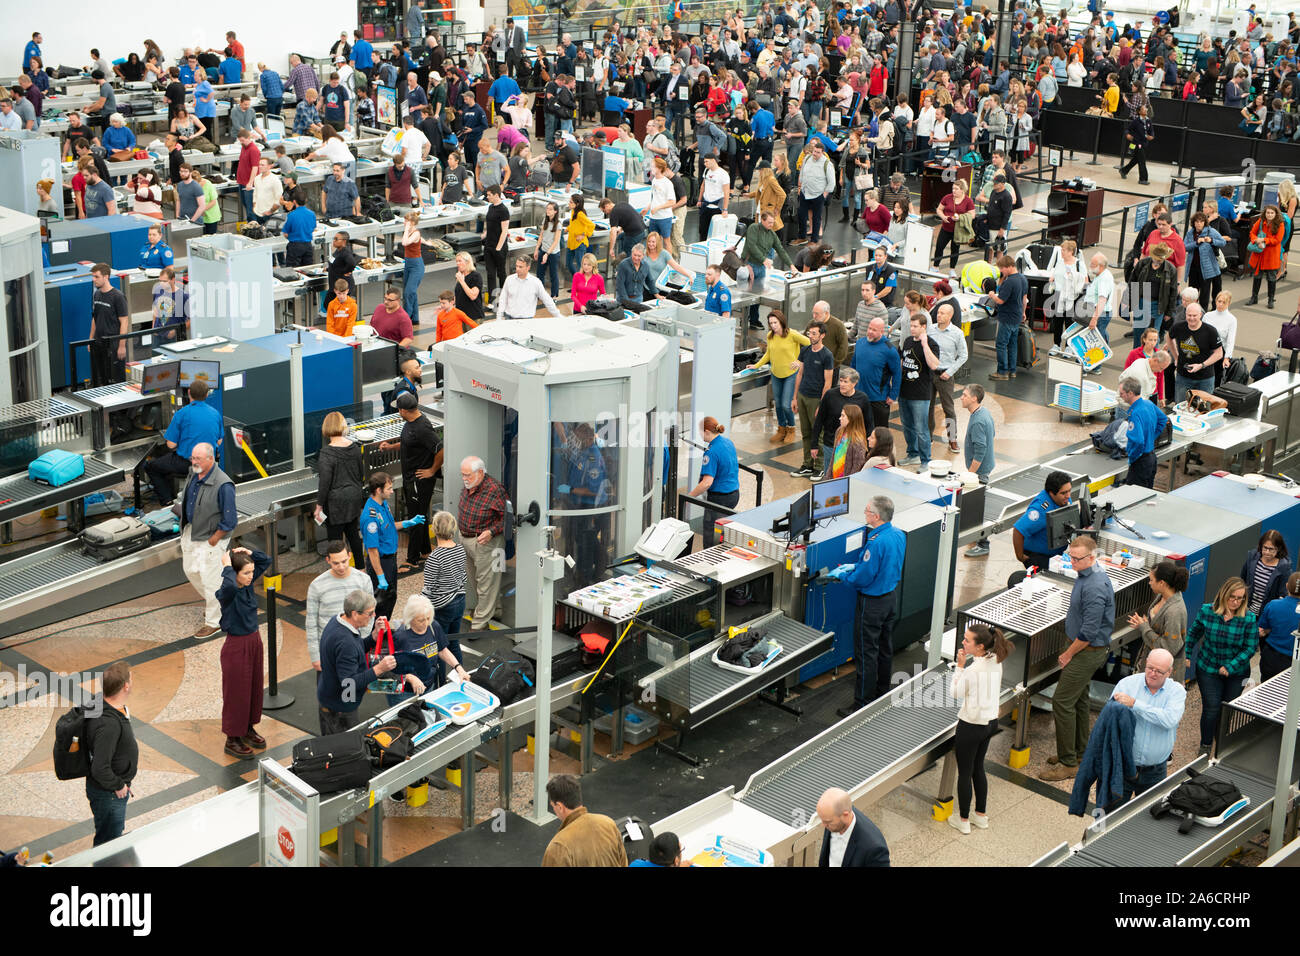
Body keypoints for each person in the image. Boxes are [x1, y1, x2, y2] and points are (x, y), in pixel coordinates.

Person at [1040, 536, 1116, 781]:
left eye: (1077, 558)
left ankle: (1068, 763)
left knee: (1061, 702)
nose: (1072, 562)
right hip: (1082, 648)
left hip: (1086, 651)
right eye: (1070, 557)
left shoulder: (1094, 586)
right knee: (1080, 700)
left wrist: (1067, 653)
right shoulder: (1086, 575)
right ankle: (1080, 752)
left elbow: (1089, 633)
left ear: (1092, 557)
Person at [827, 495, 906, 715]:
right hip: (890, 599)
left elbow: (864, 577)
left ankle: (862, 703)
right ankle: (882, 692)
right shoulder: (898, 535)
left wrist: (844, 577)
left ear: (877, 516)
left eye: (867, 511)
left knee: (866, 653)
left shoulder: (876, 541)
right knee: (884, 648)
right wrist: (858, 565)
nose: (865, 513)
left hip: (872, 604)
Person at [948, 623, 1013, 833]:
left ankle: (964, 820)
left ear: (981, 646)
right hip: (990, 723)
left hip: (970, 725)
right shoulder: (996, 660)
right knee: (978, 768)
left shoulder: (972, 670)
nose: (963, 642)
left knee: (965, 772)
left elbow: (955, 693)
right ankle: (981, 815)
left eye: (967, 640)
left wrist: (959, 666)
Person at [1104, 647, 1187, 804]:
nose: (1153, 673)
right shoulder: (1127, 684)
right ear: (1145, 663)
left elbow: (1169, 719)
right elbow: (1109, 719)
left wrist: (1135, 704)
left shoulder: (1176, 692)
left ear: (1169, 672)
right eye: (1150, 668)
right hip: (1122, 768)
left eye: (1159, 671)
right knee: (1111, 815)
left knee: (1150, 817)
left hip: (1155, 772)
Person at [1188, 577, 1258, 756]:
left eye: (1240, 598)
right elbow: (1193, 633)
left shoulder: (1248, 619)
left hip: (1236, 672)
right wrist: (1187, 654)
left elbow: (1250, 648)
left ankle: (1221, 742)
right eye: (1232, 597)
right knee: (1211, 708)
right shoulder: (1207, 611)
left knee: (1226, 710)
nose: (1235, 602)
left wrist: (1230, 666)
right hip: (1208, 668)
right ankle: (1205, 745)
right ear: (1224, 594)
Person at [174, 443, 235, 639]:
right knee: (190, 571)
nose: (194, 462)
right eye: (193, 458)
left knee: (211, 581)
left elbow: (230, 520)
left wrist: (213, 541)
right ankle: (218, 604)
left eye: (198, 459)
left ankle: (214, 621)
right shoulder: (193, 474)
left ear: (211, 459)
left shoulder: (223, 484)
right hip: (192, 532)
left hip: (210, 538)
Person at [215, 547, 271, 759]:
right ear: (235, 573)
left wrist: (250, 552)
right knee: (236, 694)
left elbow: (265, 560)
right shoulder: (229, 592)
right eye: (246, 573)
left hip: (254, 641)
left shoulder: (246, 585)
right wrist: (227, 566)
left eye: (251, 572)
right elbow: (229, 584)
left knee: (253, 688)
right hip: (237, 646)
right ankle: (232, 738)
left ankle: (247, 728)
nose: (251, 576)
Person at [317, 589, 398, 735]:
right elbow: (349, 683)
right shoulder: (345, 641)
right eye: (370, 613)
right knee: (346, 749)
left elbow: (355, 649)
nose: (373, 616)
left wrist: (372, 637)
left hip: (330, 697)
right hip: (340, 707)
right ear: (355, 613)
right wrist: (380, 668)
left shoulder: (338, 622)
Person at [384, 392, 441, 571]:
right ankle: (425, 550)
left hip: (419, 480)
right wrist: (391, 447)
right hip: (411, 479)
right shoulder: (411, 423)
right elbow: (409, 442)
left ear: (402, 410)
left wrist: (431, 470)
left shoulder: (422, 427)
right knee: (420, 514)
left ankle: (412, 559)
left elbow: (441, 449)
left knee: (415, 518)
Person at [145, 379, 222, 506]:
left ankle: (168, 501)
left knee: (151, 466)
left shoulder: (181, 414)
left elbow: (171, 445)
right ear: (207, 394)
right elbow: (219, 441)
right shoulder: (215, 413)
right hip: (209, 463)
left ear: (189, 392)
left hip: (187, 464)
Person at [84, 661, 137, 847]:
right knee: (108, 844)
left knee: (111, 836)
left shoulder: (108, 706)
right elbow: (99, 767)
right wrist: (119, 785)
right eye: (130, 677)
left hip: (111, 792)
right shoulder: (108, 724)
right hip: (109, 794)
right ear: (126, 686)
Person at [362, 471, 425, 621]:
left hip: (390, 561)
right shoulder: (370, 517)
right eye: (389, 488)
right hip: (381, 563)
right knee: (380, 604)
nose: (392, 491)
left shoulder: (382, 505)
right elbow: (372, 551)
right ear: (378, 490)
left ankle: (383, 630)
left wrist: (408, 522)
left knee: (391, 598)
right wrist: (380, 576)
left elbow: (389, 527)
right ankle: (376, 636)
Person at [305, 541, 374, 673]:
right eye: (336, 563)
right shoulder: (317, 585)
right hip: (328, 651)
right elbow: (311, 623)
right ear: (328, 560)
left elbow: (369, 615)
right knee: (328, 692)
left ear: (350, 555)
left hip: (355, 649)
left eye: (344, 561)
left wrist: (361, 644)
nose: (341, 567)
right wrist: (315, 656)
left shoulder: (363, 580)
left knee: (353, 691)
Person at [458, 456, 508, 631]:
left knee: (487, 583)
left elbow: (507, 519)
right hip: (466, 539)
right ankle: (495, 610)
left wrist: (491, 532)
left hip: (485, 542)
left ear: (480, 473)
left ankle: (479, 623)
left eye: (467, 475)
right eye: (462, 475)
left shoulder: (494, 489)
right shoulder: (471, 485)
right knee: (478, 582)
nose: (464, 479)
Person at [314, 411, 366, 567]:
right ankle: (361, 568)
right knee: (353, 535)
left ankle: (338, 569)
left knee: (335, 540)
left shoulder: (326, 453)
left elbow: (325, 483)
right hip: (354, 496)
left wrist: (319, 506)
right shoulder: (355, 447)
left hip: (336, 502)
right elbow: (360, 474)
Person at [541, 774, 628, 867]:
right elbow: (623, 863)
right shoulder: (608, 823)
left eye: (552, 806)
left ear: (559, 806)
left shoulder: (559, 847)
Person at [1128, 561, 1190, 683]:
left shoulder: (1174, 611)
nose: (1149, 583)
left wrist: (1144, 627)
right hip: (1148, 660)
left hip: (1160, 675)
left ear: (1162, 583)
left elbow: (1168, 649)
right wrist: (1143, 624)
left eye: (1151, 580)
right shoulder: (1162, 596)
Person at [394, 594, 467, 692]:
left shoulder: (433, 626)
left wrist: (459, 668)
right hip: (406, 692)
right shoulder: (400, 637)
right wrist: (411, 678)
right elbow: (391, 668)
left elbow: (442, 650)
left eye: (428, 618)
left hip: (429, 685)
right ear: (410, 618)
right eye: (421, 620)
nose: (426, 623)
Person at [687, 416, 740, 548]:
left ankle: (710, 560)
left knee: (711, 535)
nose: (699, 435)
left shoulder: (711, 453)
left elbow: (707, 482)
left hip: (719, 499)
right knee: (724, 530)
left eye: (700, 432)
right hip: (734, 494)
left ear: (707, 432)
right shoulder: (728, 442)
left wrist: (689, 497)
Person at [897, 312, 941, 469]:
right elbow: (902, 361)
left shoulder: (932, 344)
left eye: (915, 326)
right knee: (907, 425)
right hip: (904, 391)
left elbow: (934, 365)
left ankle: (926, 460)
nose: (912, 329)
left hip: (920, 394)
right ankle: (913, 454)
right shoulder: (908, 341)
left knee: (921, 428)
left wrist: (924, 344)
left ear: (924, 327)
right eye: (911, 326)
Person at [810, 367, 872, 476]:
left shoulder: (863, 399)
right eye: (841, 381)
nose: (842, 384)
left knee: (850, 474)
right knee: (830, 474)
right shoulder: (830, 395)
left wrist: (869, 447)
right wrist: (814, 444)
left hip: (853, 446)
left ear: (854, 383)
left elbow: (868, 424)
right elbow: (819, 420)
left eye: (845, 382)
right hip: (831, 443)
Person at [424, 510, 470, 650]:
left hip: (442, 607)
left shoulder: (435, 557)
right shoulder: (460, 549)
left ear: (434, 529)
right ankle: (459, 671)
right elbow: (464, 577)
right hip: (460, 600)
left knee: (439, 646)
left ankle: (440, 673)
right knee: (454, 643)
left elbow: (428, 588)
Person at [1009, 470, 1072, 568]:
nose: (1068, 496)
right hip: (1039, 556)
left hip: (1056, 554)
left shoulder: (1064, 499)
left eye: (1069, 491)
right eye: (1063, 493)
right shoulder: (1040, 510)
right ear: (1051, 493)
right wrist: (1020, 556)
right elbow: (1018, 530)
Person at [815, 787, 890, 867]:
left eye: (827, 822)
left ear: (845, 815)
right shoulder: (833, 815)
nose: (823, 825)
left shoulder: (874, 848)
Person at [1165, 302, 1222, 404]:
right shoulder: (1179, 327)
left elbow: (1219, 353)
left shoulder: (1210, 331)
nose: (1191, 318)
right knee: (1181, 407)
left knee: (1203, 409)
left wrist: (1201, 365)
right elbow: (1169, 337)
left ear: (1200, 315)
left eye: (1194, 315)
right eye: (1189, 315)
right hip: (1183, 377)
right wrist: (1176, 356)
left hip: (1205, 378)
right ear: (1185, 314)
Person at [929, 302, 967, 451]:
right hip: (930, 373)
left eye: (942, 313)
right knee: (928, 407)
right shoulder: (930, 329)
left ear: (950, 316)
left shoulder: (957, 333)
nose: (939, 315)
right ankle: (928, 436)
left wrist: (950, 372)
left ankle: (952, 439)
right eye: (938, 312)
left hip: (945, 375)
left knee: (949, 409)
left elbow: (964, 355)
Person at [1118, 376, 1168, 489]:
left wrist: (1132, 458)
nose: (1120, 396)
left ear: (1130, 393)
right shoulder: (1148, 404)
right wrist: (1151, 437)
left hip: (1140, 462)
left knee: (1134, 497)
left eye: (1122, 393)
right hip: (1151, 458)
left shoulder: (1135, 413)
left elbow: (1138, 441)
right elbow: (1163, 420)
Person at [986, 255, 1027, 381]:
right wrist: (1023, 312)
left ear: (1009, 267)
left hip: (1007, 316)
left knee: (1001, 344)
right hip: (1016, 315)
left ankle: (1002, 372)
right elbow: (1024, 298)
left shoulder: (1010, 281)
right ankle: (1012, 370)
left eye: (1002, 268)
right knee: (1012, 344)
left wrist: (992, 295)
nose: (1001, 271)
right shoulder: (1022, 278)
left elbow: (1001, 300)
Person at [1257, 572, 1300, 683]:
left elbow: (1262, 630)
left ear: (1286, 586)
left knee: (1266, 690)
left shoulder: (1273, 605)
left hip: (1271, 659)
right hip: (1295, 661)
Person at [498, 254, 564, 320]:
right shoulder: (509, 279)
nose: (517, 269)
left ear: (528, 268)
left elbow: (547, 300)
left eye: (520, 267)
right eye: (516, 266)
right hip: (509, 318)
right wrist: (499, 317)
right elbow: (503, 299)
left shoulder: (535, 282)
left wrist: (558, 316)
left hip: (527, 319)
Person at [1242, 529, 1292, 616]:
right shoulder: (1252, 557)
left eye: (1271, 549)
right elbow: (1241, 581)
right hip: (1246, 611)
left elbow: (1282, 596)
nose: (1267, 552)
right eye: (1265, 548)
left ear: (1278, 548)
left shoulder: (1284, 568)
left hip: (1266, 615)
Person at [1247, 204, 1285, 309]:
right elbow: (1252, 233)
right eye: (1268, 212)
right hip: (1260, 254)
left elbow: (1277, 240)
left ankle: (1270, 299)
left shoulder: (1280, 224)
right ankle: (1254, 297)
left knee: (1271, 278)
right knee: (1257, 276)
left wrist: (1263, 240)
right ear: (1265, 213)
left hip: (1271, 255)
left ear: (1276, 214)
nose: (1269, 215)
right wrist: (1255, 240)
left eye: (1272, 213)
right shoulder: (1260, 221)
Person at [934, 180, 974, 269]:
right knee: (939, 247)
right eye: (953, 188)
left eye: (956, 189)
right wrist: (943, 216)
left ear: (962, 190)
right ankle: (935, 266)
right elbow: (939, 209)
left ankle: (952, 269)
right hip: (946, 228)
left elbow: (972, 215)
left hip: (958, 230)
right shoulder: (947, 197)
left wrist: (960, 218)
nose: (953, 191)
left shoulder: (968, 201)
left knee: (955, 250)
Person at [961, 383, 996, 486]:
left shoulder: (978, 422)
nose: (961, 398)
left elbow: (980, 450)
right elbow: (992, 433)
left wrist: (969, 475)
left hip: (979, 472)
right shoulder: (984, 411)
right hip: (985, 466)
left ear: (974, 398)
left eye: (965, 395)